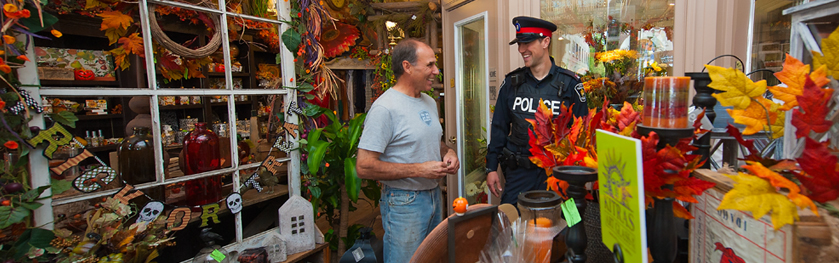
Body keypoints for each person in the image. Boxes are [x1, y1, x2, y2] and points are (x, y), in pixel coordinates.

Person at [356, 39, 459, 263]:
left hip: (433, 197)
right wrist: (419, 169)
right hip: (404, 202)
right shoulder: (385, 108)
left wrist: (447, 152)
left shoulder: (429, 102)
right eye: (430, 65)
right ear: (407, 67)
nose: (436, 71)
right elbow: (364, 166)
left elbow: (433, 141)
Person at [486, 16, 588, 205]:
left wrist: (577, 177)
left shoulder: (570, 84)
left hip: (558, 176)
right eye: (519, 44)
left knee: (568, 226)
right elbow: (499, 128)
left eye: (527, 42)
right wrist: (491, 168)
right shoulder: (511, 84)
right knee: (511, 226)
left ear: (545, 41)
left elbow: (582, 136)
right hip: (519, 175)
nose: (521, 49)